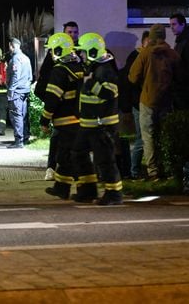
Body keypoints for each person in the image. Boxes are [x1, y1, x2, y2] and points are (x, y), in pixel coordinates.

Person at [72, 32, 123, 205]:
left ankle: (114, 194)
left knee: (105, 160)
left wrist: (91, 84)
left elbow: (110, 93)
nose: (81, 55)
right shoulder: (95, 67)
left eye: (83, 52)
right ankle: (87, 190)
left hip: (102, 125)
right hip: (89, 124)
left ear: (93, 52)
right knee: (78, 153)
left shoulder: (105, 70)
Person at [128, 24, 181, 181]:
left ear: (150, 37)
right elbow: (181, 77)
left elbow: (133, 77)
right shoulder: (172, 54)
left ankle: (153, 172)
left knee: (148, 136)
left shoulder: (145, 54)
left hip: (148, 100)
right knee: (165, 134)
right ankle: (168, 168)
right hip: (166, 101)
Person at [39, 33, 84, 200]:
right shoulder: (79, 67)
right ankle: (63, 188)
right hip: (80, 120)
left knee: (68, 157)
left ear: (58, 50)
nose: (51, 53)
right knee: (69, 156)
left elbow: (52, 98)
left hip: (66, 122)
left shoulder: (59, 70)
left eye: (52, 50)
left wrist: (44, 120)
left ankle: (82, 190)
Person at [36, 21, 79, 176]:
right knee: (57, 136)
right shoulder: (55, 52)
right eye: (69, 32)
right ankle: (51, 168)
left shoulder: (81, 51)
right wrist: (52, 98)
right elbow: (44, 75)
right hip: (60, 103)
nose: (72, 35)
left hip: (76, 106)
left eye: (75, 32)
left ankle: (69, 172)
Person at [119, 30, 150, 179]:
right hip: (138, 104)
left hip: (141, 103)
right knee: (141, 138)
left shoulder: (143, 57)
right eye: (148, 43)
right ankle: (134, 171)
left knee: (142, 138)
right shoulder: (136, 58)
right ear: (143, 43)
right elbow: (130, 84)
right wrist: (128, 107)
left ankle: (135, 170)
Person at [6, 37, 32, 149]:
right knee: (23, 115)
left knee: (16, 115)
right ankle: (25, 138)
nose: (9, 48)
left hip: (17, 91)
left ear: (12, 46)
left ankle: (19, 141)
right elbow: (30, 76)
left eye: (9, 46)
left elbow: (15, 76)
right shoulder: (26, 58)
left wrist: (11, 90)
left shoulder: (16, 59)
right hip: (25, 90)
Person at [169, 13, 189, 110]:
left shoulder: (187, 41)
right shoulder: (181, 40)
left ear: (183, 24)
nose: (171, 27)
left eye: (174, 24)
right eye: (170, 25)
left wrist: (182, 81)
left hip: (183, 88)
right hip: (180, 87)